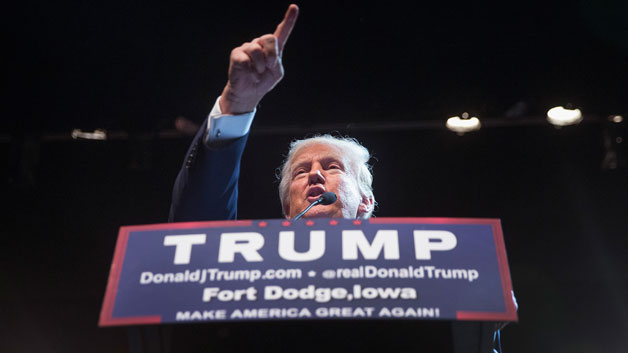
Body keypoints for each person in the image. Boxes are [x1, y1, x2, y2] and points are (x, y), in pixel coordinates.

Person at [169, 4, 375, 223]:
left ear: (366, 200)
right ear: (287, 207)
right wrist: (236, 106)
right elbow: (199, 228)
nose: (315, 175)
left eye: (333, 167)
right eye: (301, 172)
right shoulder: (246, 256)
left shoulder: (411, 256)